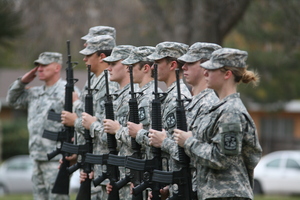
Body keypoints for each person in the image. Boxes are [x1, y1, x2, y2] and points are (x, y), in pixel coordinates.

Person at [174, 48, 263, 200]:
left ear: (227, 74)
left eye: (211, 70)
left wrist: (188, 142)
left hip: (228, 194)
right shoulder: (220, 109)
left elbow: (221, 158)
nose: (205, 73)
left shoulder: (231, 112)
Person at [6, 52, 77, 200]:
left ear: (57, 67)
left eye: (44, 65)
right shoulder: (34, 93)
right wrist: (22, 82)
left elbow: (79, 120)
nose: (39, 69)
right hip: (36, 157)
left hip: (56, 159)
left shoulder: (68, 91)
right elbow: (11, 100)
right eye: (38, 65)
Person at [61, 35, 118, 200]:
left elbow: (99, 123)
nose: (84, 58)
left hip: (103, 163)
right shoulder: (95, 82)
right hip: (93, 163)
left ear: (102, 57)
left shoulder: (109, 84)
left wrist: (75, 121)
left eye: (89, 54)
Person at [145, 41, 192, 198]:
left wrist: (162, 141)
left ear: (172, 65)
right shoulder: (169, 97)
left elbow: (185, 152)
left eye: (157, 62)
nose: (152, 67)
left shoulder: (180, 99)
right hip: (171, 186)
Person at [97, 45, 135, 199]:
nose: (108, 68)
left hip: (132, 176)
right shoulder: (118, 97)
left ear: (127, 66)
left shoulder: (133, 98)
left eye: (113, 64)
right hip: (121, 175)